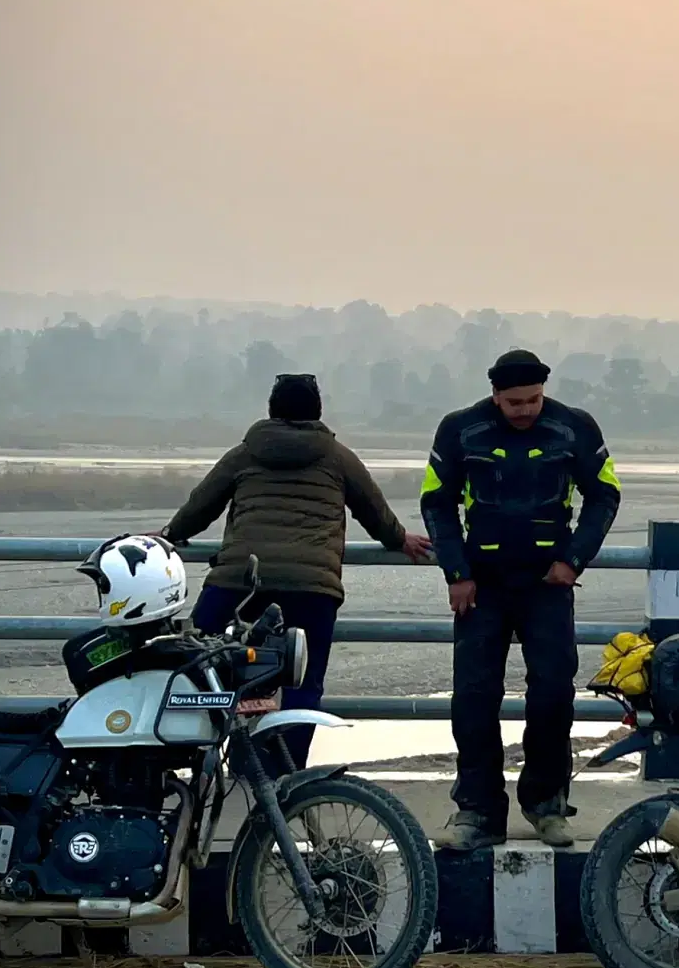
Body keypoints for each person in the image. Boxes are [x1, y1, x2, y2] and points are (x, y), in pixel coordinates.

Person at [161, 373, 431, 769]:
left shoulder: (244, 453)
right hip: (311, 588)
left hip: (239, 582)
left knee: (201, 663)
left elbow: (201, 506)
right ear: (318, 411)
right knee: (302, 682)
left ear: (271, 409)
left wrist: (169, 535)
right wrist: (400, 539)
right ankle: (287, 772)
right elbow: (374, 511)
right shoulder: (337, 456)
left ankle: (204, 762)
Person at [423, 350, 621, 850]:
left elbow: (605, 494)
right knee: (473, 699)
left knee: (554, 694)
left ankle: (547, 804)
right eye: (513, 402)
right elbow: (436, 501)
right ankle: (478, 812)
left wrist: (575, 558)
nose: (524, 410)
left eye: (533, 399)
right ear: (494, 395)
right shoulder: (460, 430)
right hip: (480, 585)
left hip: (547, 585)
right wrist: (455, 572)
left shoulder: (574, 427)